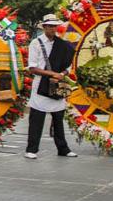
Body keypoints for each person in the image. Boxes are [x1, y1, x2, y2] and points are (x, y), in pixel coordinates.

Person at [25, 14, 78, 159]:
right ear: (44, 27)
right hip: (41, 84)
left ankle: (63, 149)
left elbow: (69, 65)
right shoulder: (36, 43)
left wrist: (62, 74)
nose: (53, 29)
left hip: (57, 83)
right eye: (50, 26)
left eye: (55, 26)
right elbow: (32, 68)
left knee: (58, 118)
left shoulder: (62, 44)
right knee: (37, 118)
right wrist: (52, 74)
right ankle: (31, 149)